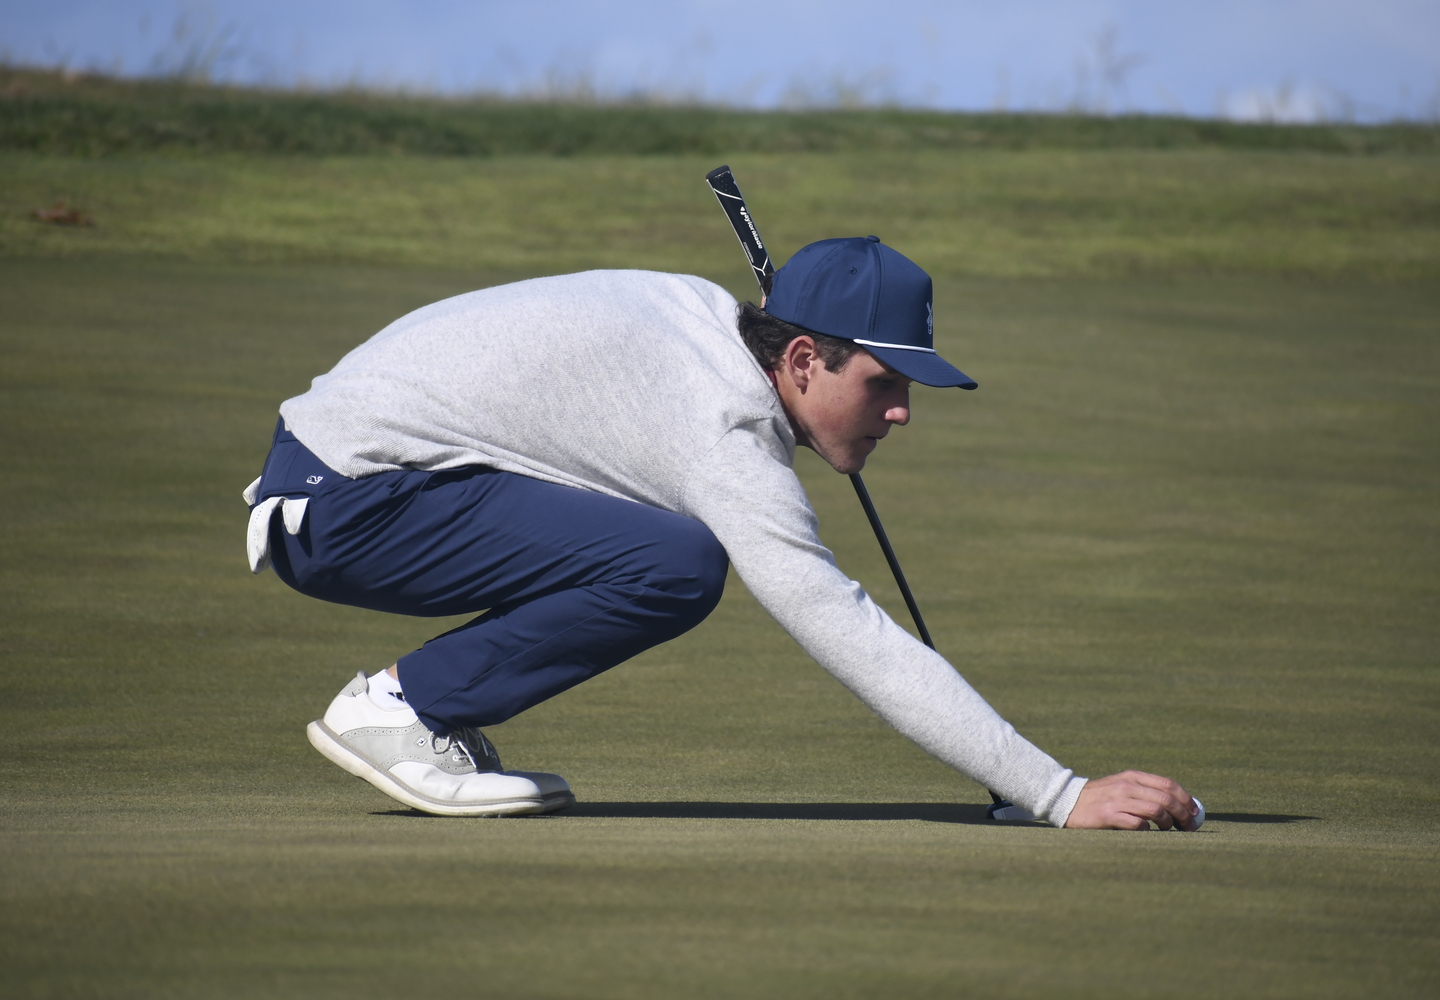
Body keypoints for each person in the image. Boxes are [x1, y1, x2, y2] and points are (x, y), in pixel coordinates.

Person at [243, 235, 1200, 830]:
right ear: (799, 356)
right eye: (884, 383)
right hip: (347, 506)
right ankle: (405, 710)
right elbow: (845, 628)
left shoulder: (708, 321)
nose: (903, 412)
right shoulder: (720, 427)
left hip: (353, 477)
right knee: (678, 561)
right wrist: (1056, 790)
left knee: (662, 542)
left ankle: (427, 709)